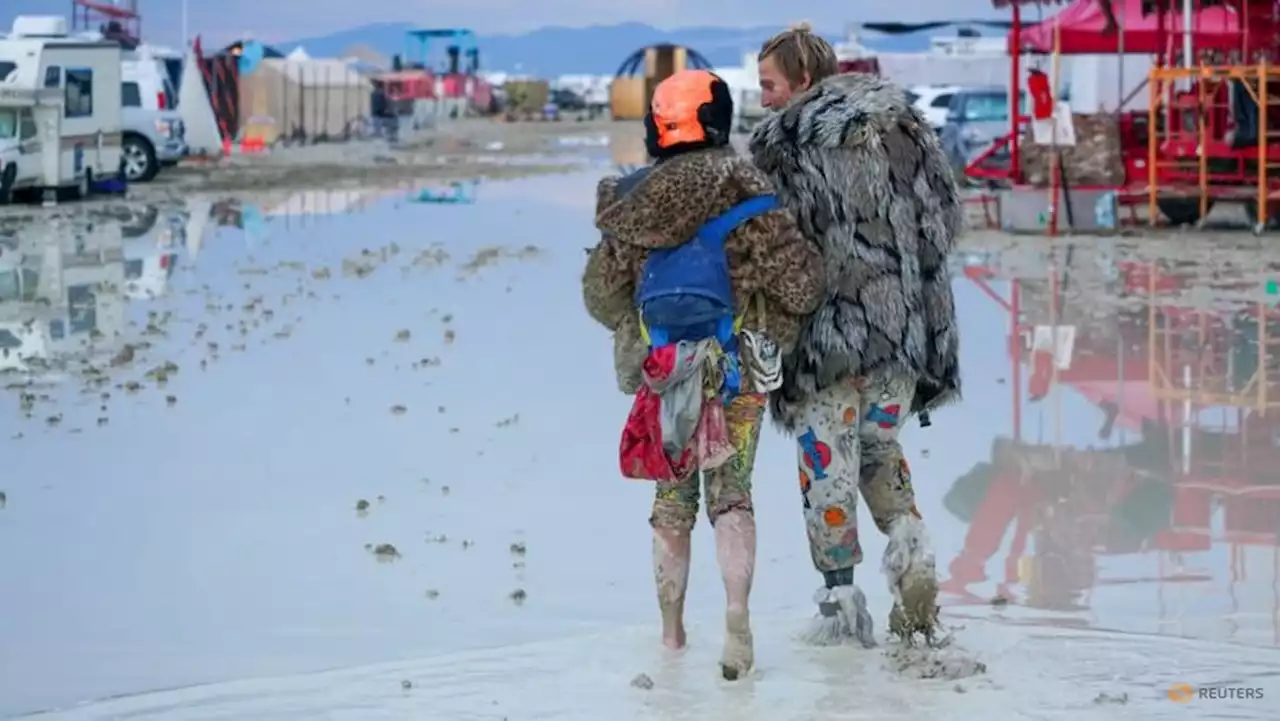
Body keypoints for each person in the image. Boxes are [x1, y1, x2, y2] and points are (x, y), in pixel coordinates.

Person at [582, 69, 824, 679]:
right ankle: (737, 616)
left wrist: (642, 334)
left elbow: (600, 296)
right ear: (717, 120)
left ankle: (670, 638)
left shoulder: (629, 200)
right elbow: (802, 284)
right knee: (732, 495)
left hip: (662, 371)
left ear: (657, 126)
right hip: (736, 367)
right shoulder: (748, 189)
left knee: (671, 503)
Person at [749, 24, 964, 645]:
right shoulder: (907, 129)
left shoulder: (784, 145)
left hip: (825, 343)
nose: (762, 98)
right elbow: (943, 225)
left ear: (803, 81)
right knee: (879, 452)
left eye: (769, 85)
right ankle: (911, 548)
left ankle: (841, 606)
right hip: (902, 337)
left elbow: (773, 254)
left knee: (827, 470)